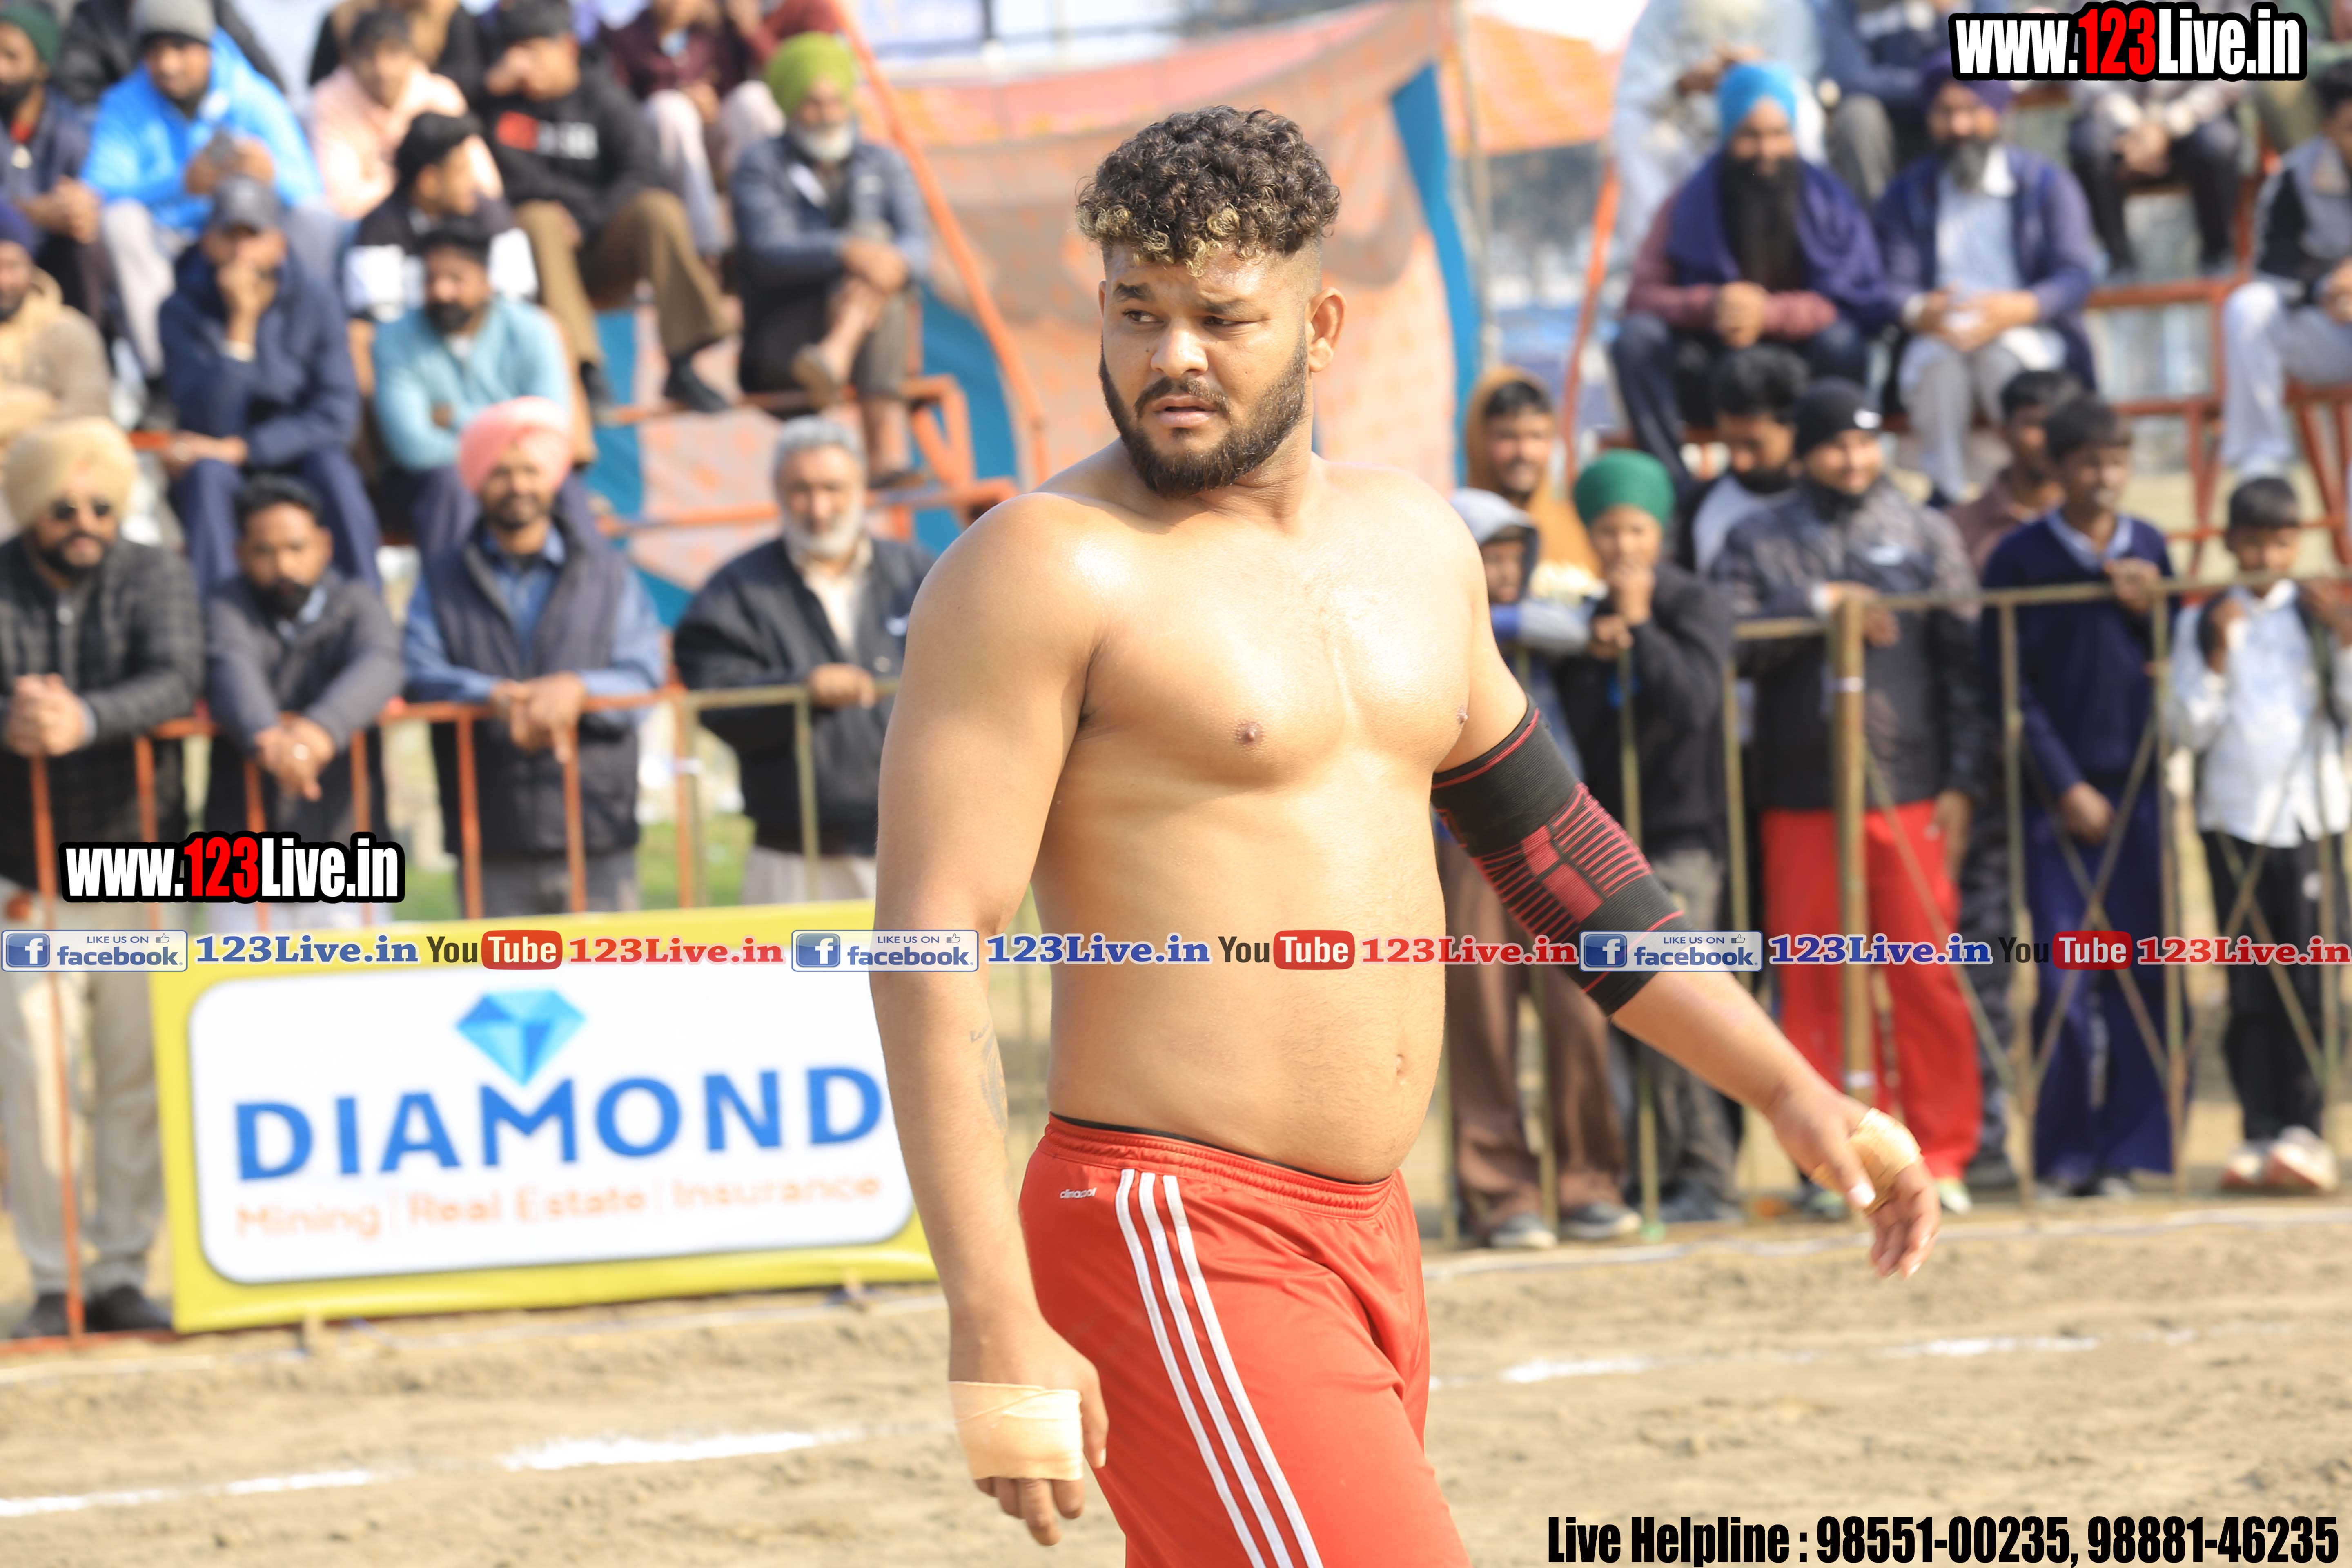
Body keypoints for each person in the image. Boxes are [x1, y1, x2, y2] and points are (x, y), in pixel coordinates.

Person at [870, 106, 1935, 1561]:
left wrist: (1791, 1091)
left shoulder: (1419, 542)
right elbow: (928, 943)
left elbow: (1561, 865)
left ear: (1319, 326)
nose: (1171, 353)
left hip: (1371, 1234)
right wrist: (991, 1309)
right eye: (1136, 311)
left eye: (1220, 317)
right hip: (1171, 1227)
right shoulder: (1042, 568)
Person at [1711, 379, 1985, 1212]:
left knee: (1925, 974)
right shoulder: (1758, 537)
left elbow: (1966, 666)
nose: (1854, 459)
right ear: (1806, 450)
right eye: (1836, 444)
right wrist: (1818, 607)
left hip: (1910, 789)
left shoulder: (1927, 531)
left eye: (1866, 442)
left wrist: (1963, 782)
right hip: (1801, 794)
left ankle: (1940, 1155)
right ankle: (1845, 1167)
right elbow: (1725, 637)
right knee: (1816, 977)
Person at [0, 418, 200, 1339]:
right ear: (30, 511)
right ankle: (54, 1278)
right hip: (24, 877)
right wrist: (16, 718)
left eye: (102, 506)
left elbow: (177, 678)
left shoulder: (155, 574)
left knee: (132, 1076)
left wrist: (81, 719)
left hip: (138, 872)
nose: (85, 521)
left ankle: (120, 1270)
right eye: (65, 507)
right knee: (35, 1080)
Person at [1977, 396, 2174, 1198]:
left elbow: (2175, 663)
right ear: (2057, 467)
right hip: (2054, 799)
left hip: (2142, 793)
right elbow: (2006, 685)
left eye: (2117, 461)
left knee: (2141, 971)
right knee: (2061, 976)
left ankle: (2131, 1150)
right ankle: (2063, 1155)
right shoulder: (2019, 558)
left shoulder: (2149, 547)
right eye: (2090, 462)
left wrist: (2153, 611)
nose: (2105, 476)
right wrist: (2064, 784)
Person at [1439, 484, 1630, 1248]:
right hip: (1463, 842)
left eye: (1517, 556)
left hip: (1557, 839)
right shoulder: (1430, 627)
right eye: (1490, 557)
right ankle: (1501, 1194)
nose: (1508, 571)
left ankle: (1589, 1183)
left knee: (1580, 1009)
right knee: (1482, 1017)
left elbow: (1568, 626)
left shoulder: (1536, 615)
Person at [1557, 450, 1742, 1225]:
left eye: (1637, 530)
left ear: (1660, 533)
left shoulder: (1695, 602)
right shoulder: (1587, 612)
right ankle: (1656, 1172)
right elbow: (1583, 733)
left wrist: (1642, 628)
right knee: (1633, 1013)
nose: (1624, 547)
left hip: (1683, 836)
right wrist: (1599, 649)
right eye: (1609, 532)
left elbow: (1695, 702)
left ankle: (1710, 1174)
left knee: (1686, 1006)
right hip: (1613, 841)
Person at [403, 397, 663, 915]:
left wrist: (578, 690)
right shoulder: (441, 578)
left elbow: (643, 676)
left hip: (597, 831)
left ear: (553, 477)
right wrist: (495, 698)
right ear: (478, 481)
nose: (518, 485)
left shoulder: (607, 574)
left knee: (607, 972)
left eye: (530, 470)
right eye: (501, 472)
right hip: (491, 833)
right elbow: (419, 673)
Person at [2170, 477, 2346, 1196]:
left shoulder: (2318, 614)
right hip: (2234, 822)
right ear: (2230, 543)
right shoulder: (2204, 619)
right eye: (2253, 543)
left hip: (2311, 818)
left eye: (2281, 542)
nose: (2267, 557)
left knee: (2311, 973)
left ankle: (2307, 1128)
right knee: (2248, 977)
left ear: (2296, 543)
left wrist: (2347, 641)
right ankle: (2258, 1127)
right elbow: (2188, 727)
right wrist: (2217, 654)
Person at [673, 415, 932, 902]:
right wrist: (802, 689)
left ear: (862, 488)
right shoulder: (735, 591)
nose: (819, 508)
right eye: (801, 490)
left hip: (920, 847)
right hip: (794, 857)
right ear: (777, 492)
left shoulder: (921, 574)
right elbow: (713, 696)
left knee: (929, 956)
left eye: (833, 488)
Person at [1614, 64, 1886, 499]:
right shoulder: (1688, 200)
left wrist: (1769, 314)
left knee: (1842, 343)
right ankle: (1678, 495)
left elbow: (1856, 295)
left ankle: (1836, 479)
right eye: (1750, 136)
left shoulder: (1829, 199)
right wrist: (1712, 305)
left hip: (1799, 370)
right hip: (1715, 364)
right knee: (1636, 340)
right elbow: (1642, 296)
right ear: (1727, 135)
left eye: (1779, 134)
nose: (1767, 150)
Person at [481, 0, 731, 417]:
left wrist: (587, 220)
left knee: (658, 209)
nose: (525, 66)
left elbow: (643, 169)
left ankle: (683, 361)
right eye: (514, 54)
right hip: (537, 257)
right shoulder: (497, 105)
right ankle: (585, 372)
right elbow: (495, 180)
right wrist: (487, 88)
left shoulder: (603, 96)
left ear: (567, 47)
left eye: (534, 51)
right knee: (538, 219)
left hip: (601, 245)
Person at [1876, 58, 2098, 507]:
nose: (1959, 126)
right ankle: (1948, 498)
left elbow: (2076, 274)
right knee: (1938, 368)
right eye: (1945, 112)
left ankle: (2033, 492)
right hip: (1940, 333)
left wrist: (2022, 307)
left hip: (2026, 329)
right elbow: (1889, 282)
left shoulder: (2045, 184)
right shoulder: (1908, 193)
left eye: (1971, 110)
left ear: (1997, 112)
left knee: (2006, 364)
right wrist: (1920, 311)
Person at [83, 0, 334, 392]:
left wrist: (273, 175)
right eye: (154, 51)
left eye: (180, 48)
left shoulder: (253, 97)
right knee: (119, 221)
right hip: (168, 244)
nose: (167, 65)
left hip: (244, 238)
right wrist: (179, 184)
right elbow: (97, 192)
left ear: (209, 48)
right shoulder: (124, 103)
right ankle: (163, 380)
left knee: (314, 221)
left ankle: (308, 364)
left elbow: (309, 192)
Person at [158, 176, 378, 597]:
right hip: (220, 463)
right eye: (230, 236)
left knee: (336, 472)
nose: (241, 251)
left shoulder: (317, 300)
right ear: (207, 243)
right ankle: (221, 623)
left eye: (253, 236)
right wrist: (241, 325)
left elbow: (337, 416)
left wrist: (246, 449)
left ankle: (367, 610)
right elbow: (209, 422)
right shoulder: (179, 310)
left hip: (297, 454)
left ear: (279, 244)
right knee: (206, 477)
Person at [203, 472, 402, 929]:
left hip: (347, 846)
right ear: (240, 553)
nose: (283, 566)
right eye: (265, 551)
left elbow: (381, 663)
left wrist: (318, 733)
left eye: (296, 548)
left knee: (356, 974)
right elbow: (230, 666)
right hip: (241, 856)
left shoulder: (357, 601)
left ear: (324, 545)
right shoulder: (225, 605)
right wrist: (271, 740)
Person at [734, 29, 926, 483]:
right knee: (870, 244)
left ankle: (838, 350)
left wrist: (878, 260)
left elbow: (919, 248)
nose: (828, 115)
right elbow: (768, 250)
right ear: (790, 107)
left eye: (837, 101)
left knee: (880, 253)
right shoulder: (761, 165)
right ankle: (885, 449)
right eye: (813, 104)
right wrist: (846, 251)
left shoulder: (885, 163)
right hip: (788, 338)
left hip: (873, 330)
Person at [373, 218, 573, 559]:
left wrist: (456, 417)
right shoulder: (394, 339)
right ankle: (454, 593)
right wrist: (507, 441)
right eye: (431, 279)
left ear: (486, 282)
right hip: (428, 481)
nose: (441, 292)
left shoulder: (532, 328)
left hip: (523, 464)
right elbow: (413, 447)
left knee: (562, 491)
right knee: (449, 485)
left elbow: (551, 428)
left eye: (456, 279)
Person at [2222, 60, 2352, 481]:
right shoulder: (2295, 177)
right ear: (2327, 128)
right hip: (2330, 333)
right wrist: (2326, 290)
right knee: (2249, 306)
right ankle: (2260, 463)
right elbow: (2272, 274)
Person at [1607, 0, 1824, 254]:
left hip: (1760, 139)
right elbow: (1634, 92)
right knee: (1631, 124)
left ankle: (1810, 231)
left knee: (1805, 111)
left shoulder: (1788, 9)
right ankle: (1654, 255)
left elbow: (1802, 77)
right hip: (1687, 140)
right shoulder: (1661, 11)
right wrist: (1683, 84)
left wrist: (1761, 73)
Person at [2067, 1, 2247, 279]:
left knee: (2218, 144)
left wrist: (2172, 124)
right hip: (2119, 118)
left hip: (2196, 114)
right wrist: (2135, 125)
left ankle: (2217, 256)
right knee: (2088, 145)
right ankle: (2117, 261)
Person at [600, 0, 771, 256]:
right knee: (671, 109)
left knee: (753, 98)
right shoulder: (624, 38)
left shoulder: (716, 32)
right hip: (662, 145)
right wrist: (680, 96)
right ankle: (705, 250)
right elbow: (619, 110)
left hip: (717, 140)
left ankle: (764, 232)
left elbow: (751, 82)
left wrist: (712, 105)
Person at [304, 7, 492, 224]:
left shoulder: (440, 95)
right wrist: (418, 190)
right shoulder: (330, 100)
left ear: (412, 55)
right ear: (351, 59)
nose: (382, 69)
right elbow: (344, 200)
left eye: (393, 52)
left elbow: (484, 183)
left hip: (445, 220)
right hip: (373, 225)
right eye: (369, 55)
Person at [0, 201, 111, 509]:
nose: (4, 282)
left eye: (12, 266)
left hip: (52, 487)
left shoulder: (69, 330)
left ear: (31, 266)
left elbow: (90, 411)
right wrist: (37, 405)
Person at [0, 2, 105, 323]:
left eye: (11, 56)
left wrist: (81, 211)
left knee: (88, 244)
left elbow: (94, 189)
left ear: (42, 67)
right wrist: (33, 214)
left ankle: (87, 338)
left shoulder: (71, 130)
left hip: (49, 260)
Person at [1674, 342, 1805, 576]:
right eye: (1728, 442)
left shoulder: (1830, 502)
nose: (1740, 462)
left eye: (1754, 445)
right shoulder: (1700, 504)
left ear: (1794, 429)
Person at [1460, 365, 1599, 575]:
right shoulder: (1457, 536)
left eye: (1537, 436)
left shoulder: (1577, 532)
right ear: (1479, 441)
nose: (1524, 453)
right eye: (1507, 436)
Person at [1944, 367, 2081, 572]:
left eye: (2059, 426)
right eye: (2035, 424)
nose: (2049, 439)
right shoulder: (1956, 529)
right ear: (2004, 432)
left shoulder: (2104, 528)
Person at [1820, 0, 1953, 205]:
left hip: (1954, 109)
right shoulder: (1843, 6)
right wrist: (1932, 84)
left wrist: (1946, 15)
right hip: (1884, 121)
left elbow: (1983, 64)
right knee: (1857, 115)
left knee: (1977, 105)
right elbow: (1852, 80)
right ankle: (1877, 218)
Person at [53, 0, 284, 107]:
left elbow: (267, 78)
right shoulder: (95, 15)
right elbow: (75, 90)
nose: (168, 64)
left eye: (180, 46)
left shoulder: (212, 6)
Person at [308, 0, 490, 102]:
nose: (383, 67)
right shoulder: (343, 17)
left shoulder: (448, 13)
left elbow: (470, 76)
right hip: (354, 119)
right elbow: (318, 83)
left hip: (430, 121)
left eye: (393, 52)